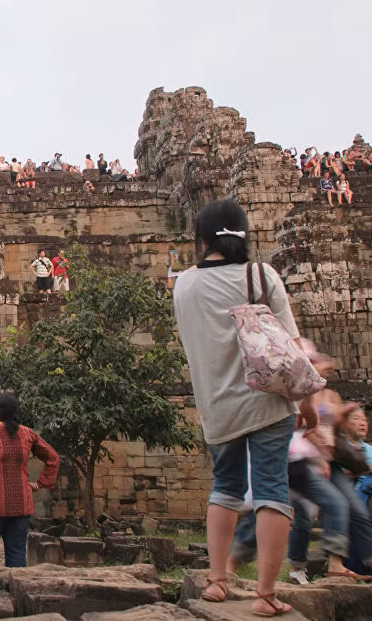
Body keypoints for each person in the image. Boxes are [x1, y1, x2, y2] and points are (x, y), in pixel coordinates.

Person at [173, 198, 308, 617]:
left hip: (217, 403)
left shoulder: (185, 284)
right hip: (269, 399)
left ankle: (217, 581)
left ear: (201, 239)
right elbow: (292, 346)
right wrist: (305, 400)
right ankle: (266, 595)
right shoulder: (261, 276)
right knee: (271, 489)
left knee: (225, 486)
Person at [0, 395, 60, 567]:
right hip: (21, 505)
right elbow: (53, 457)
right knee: (17, 554)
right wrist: (39, 484)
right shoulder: (28, 433)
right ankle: (16, 582)